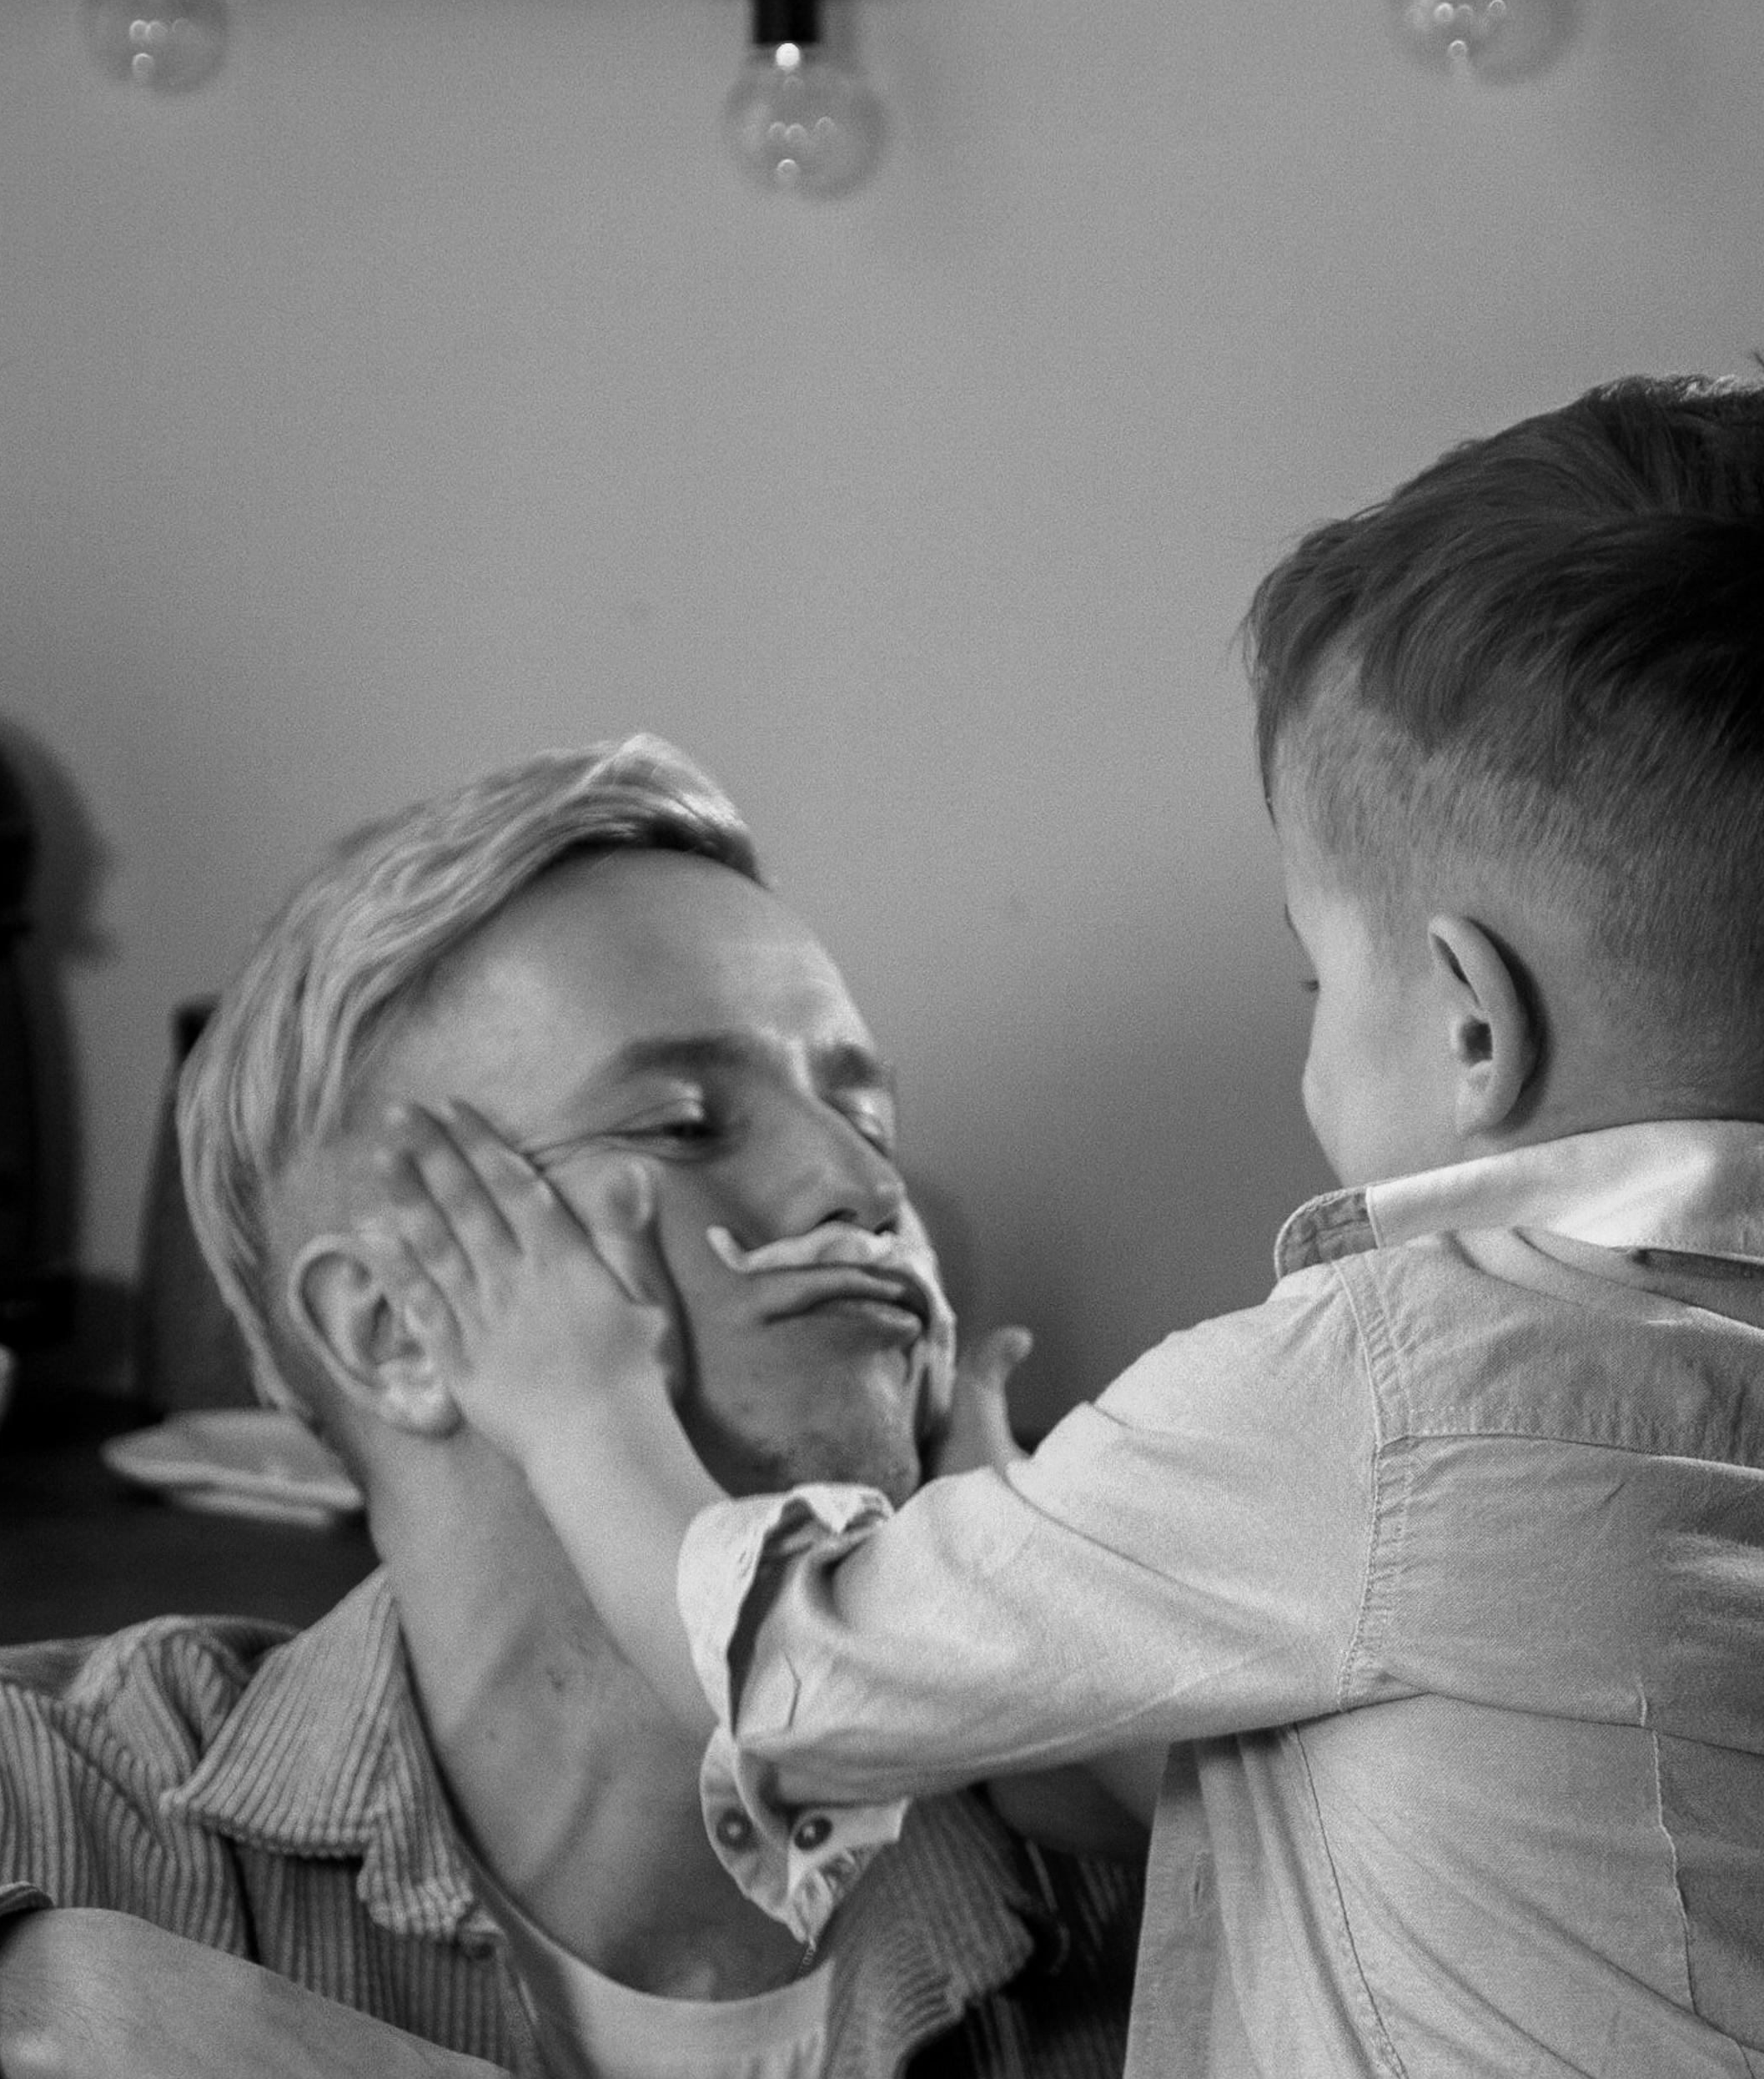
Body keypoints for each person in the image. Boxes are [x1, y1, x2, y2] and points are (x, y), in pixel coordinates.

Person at [354, 376, 1764, 2078]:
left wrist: (576, 1396)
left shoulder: (1376, 1399)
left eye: (1318, 983)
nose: (859, 1186)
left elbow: (789, 1673)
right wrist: (1015, 1532)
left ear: (1474, 1024)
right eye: (683, 1121)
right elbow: (1325, 1784)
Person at [0, 737, 1143, 2079]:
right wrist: (46, 2006)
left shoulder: (1143, 1850)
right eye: (686, 1123)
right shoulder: (35, 1805)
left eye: (867, 1116)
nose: (863, 1187)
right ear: (392, 1332)